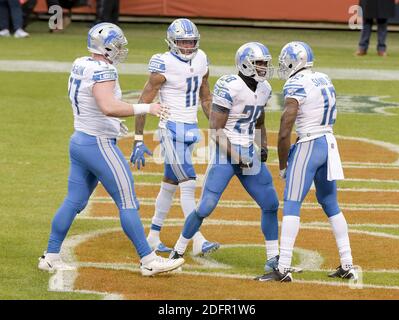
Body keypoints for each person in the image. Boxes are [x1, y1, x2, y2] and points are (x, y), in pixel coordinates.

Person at [38, 22, 184, 276]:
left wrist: (113, 125)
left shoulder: (81, 63)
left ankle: (50, 256)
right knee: (128, 201)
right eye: (117, 45)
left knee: (74, 201)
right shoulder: (104, 71)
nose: (120, 49)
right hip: (98, 145)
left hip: (81, 139)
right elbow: (107, 106)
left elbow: (94, 105)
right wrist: (147, 108)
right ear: (104, 46)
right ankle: (148, 260)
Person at [168, 42, 281, 273]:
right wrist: (237, 156)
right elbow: (215, 130)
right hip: (226, 153)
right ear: (246, 63)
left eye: (265, 64)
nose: (263, 68)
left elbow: (259, 120)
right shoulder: (230, 85)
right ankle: (177, 251)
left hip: (247, 152)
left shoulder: (265, 88)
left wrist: (263, 145)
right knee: (205, 207)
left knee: (270, 204)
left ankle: (273, 258)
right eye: (259, 63)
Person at [256, 42, 357, 282]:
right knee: (330, 203)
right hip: (329, 143)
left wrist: (282, 165)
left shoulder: (295, 83)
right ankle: (348, 263)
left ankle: (283, 267)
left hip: (309, 144)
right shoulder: (323, 78)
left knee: (291, 203)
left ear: (294, 62)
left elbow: (284, 129)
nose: (282, 67)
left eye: (284, 62)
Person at [130, 18, 220, 256]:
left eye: (192, 42)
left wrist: (216, 127)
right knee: (189, 183)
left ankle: (153, 235)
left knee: (169, 184)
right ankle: (198, 239)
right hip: (170, 130)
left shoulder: (202, 60)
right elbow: (143, 102)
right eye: (183, 42)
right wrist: (138, 138)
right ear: (172, 42)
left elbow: (206, 97)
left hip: (191, 129)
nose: (188, 47)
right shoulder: (163, 64)